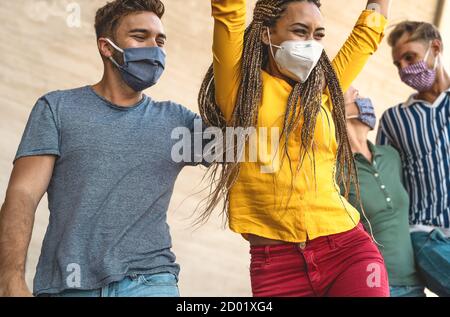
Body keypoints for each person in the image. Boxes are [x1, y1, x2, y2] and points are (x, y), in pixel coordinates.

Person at [0, 0, 207, 297]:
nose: (154, 48)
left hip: (150, 283)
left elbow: (244, 145)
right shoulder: (57, 108)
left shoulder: (178, 121)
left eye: (160, 40)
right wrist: (10, 280)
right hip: (68, 286)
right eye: (140, 37)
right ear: (106, 47)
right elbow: (23, 194)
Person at [198, 0, 390, 297]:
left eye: (318, 35)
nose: (311, 44)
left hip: (346, 249)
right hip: (275, 268)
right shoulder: (237, 88)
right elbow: (229, 12)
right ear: (266, 34)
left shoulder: (323, 90)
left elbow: (365, 38)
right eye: (300, 31)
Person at [377, 21, 450, 297]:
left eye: (410, 57)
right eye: (398, 64)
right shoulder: (395, 120)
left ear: (436, 47)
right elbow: (385, 185)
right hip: (426, 235)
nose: (405, 69)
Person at [343, 86, 425, 297]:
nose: (365, 100)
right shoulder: (337, 170)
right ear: (339, 110)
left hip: (413, 283)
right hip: (375, 286)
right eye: (356, 97)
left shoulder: (390, 155)